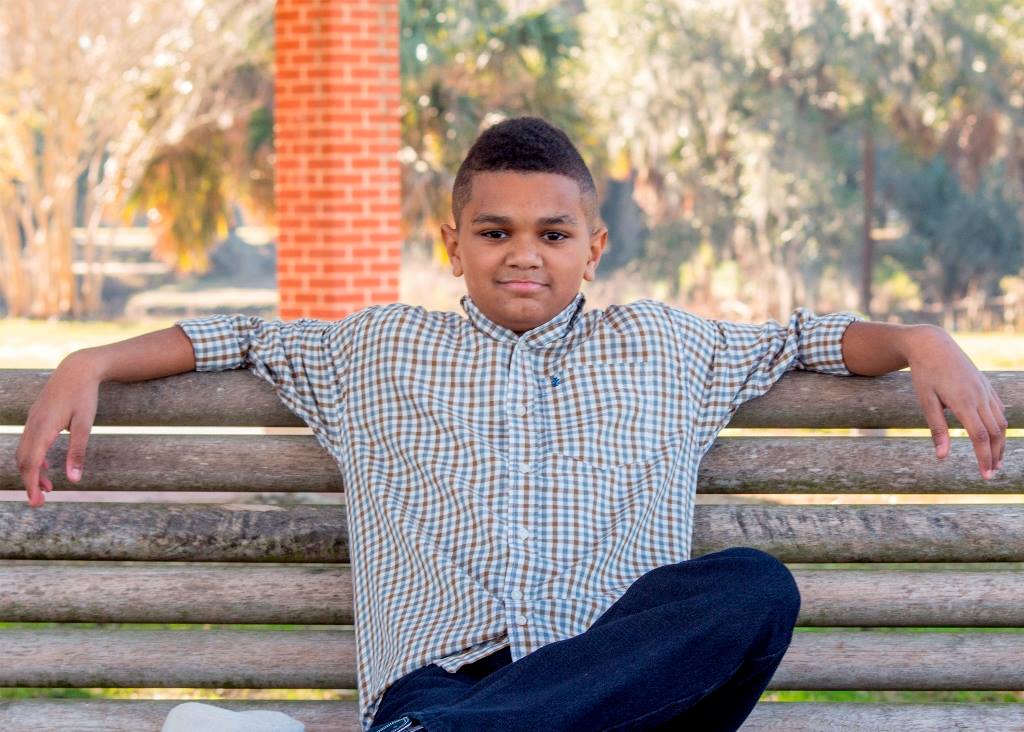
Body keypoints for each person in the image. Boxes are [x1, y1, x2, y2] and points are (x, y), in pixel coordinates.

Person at [16, 116, 1006, 732]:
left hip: (623, 693)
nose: (521, 254)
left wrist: (921, 338)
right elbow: (232, 336)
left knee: (752, 590)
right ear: (453, 244)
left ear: (594, 245)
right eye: (493, 233)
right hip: (442, 690)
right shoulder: (372, 352)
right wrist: (91, 357)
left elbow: (811, 340)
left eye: (551, 233)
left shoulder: (674, 347)